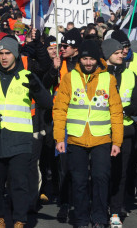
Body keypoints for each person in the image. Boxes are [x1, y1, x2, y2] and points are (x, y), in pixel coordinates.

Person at [0, 36, 52, 228]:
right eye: (0, 53)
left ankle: (19, 221)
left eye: (8, 53)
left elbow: (47, 103)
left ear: (15, 54)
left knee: (19, 184)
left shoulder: (27, 76)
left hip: (20, 141)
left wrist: (37, 88)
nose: (4, 57)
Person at [53, 40, 124, 228]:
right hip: (76, 138)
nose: (88, 63)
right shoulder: (69, 78)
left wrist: (117, 141)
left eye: (92, 58)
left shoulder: (108, 79)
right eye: (85, 58)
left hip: (101, 138)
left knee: (101, 178)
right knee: (79, 181)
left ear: (98, 59)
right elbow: (60, 109)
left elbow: (116, 112)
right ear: (80, 59)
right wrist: (59, 138)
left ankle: (100, 218)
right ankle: (82, 219)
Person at [102, 39, 137, 227]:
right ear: (107, 53)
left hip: (125, 131)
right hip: (101, 131)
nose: (122, 54)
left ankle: (115, 211)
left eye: (122, 52)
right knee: (101, 174)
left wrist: (123, 109)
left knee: (121, 173)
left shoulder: (130, 75)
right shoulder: (99, 75)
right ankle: (100, 207)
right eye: (117, 52)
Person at [43, 27, 82, 221]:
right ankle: (64, 202)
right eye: (62, 45)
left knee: (80, 165)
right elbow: (45, 85)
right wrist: (53, 69)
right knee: (63, 164)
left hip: (82, 121)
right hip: (63, 120)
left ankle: (79, 201)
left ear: (76, 48)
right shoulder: (60, 64)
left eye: (66, 45)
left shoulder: (85, 64)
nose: (62, 49)